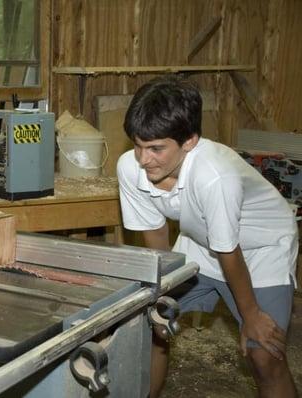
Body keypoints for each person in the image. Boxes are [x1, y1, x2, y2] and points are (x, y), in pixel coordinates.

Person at [117, 75, 298, 397]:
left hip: (260, 248)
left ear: (189, 141)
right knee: (154, 323)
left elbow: (229, 251)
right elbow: (156, 234)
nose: (144, 159)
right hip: (200, 241)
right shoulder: (131, 168)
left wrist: (251, 314)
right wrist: (160, 296)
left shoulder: (215, 175)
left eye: (157, 148)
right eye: (138, 145)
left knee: (264, 355)